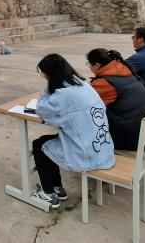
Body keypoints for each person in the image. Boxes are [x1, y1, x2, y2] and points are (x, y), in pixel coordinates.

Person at [32, 54, 115, 208]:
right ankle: (57, 188)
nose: (43, 76)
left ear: (51, 74)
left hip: (87, 152)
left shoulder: (64, 94)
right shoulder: (83, 84)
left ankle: (48, 193)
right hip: (102, 146)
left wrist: (48, 88)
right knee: (44, 141)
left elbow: (41, 109)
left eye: (44, 73)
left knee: (39, 145)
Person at [86, 48, 145, 150]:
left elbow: (83, 102)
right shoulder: (125, 71)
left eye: (89, 64)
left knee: (89, 114)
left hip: (131, 137)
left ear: (97, 65)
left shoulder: (105, 83)